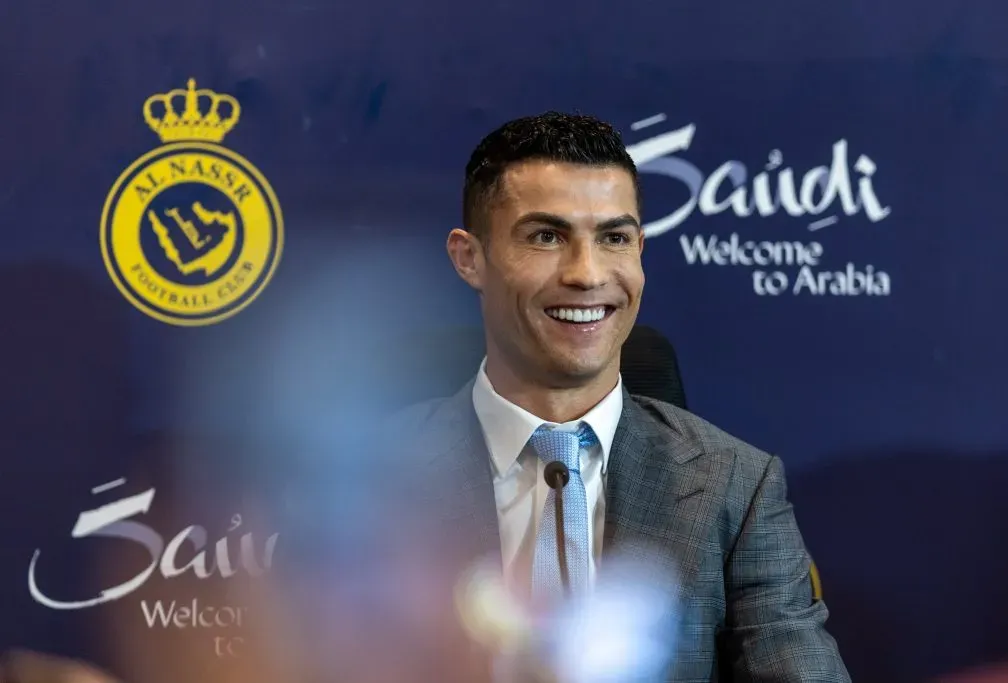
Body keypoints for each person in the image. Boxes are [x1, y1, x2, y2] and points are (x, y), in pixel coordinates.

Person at [2, 112, 850, 683]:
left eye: (615, 238)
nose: (589, 273)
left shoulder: (737, 487)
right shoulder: (361, 483)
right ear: (469, 257)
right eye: (546, 235)